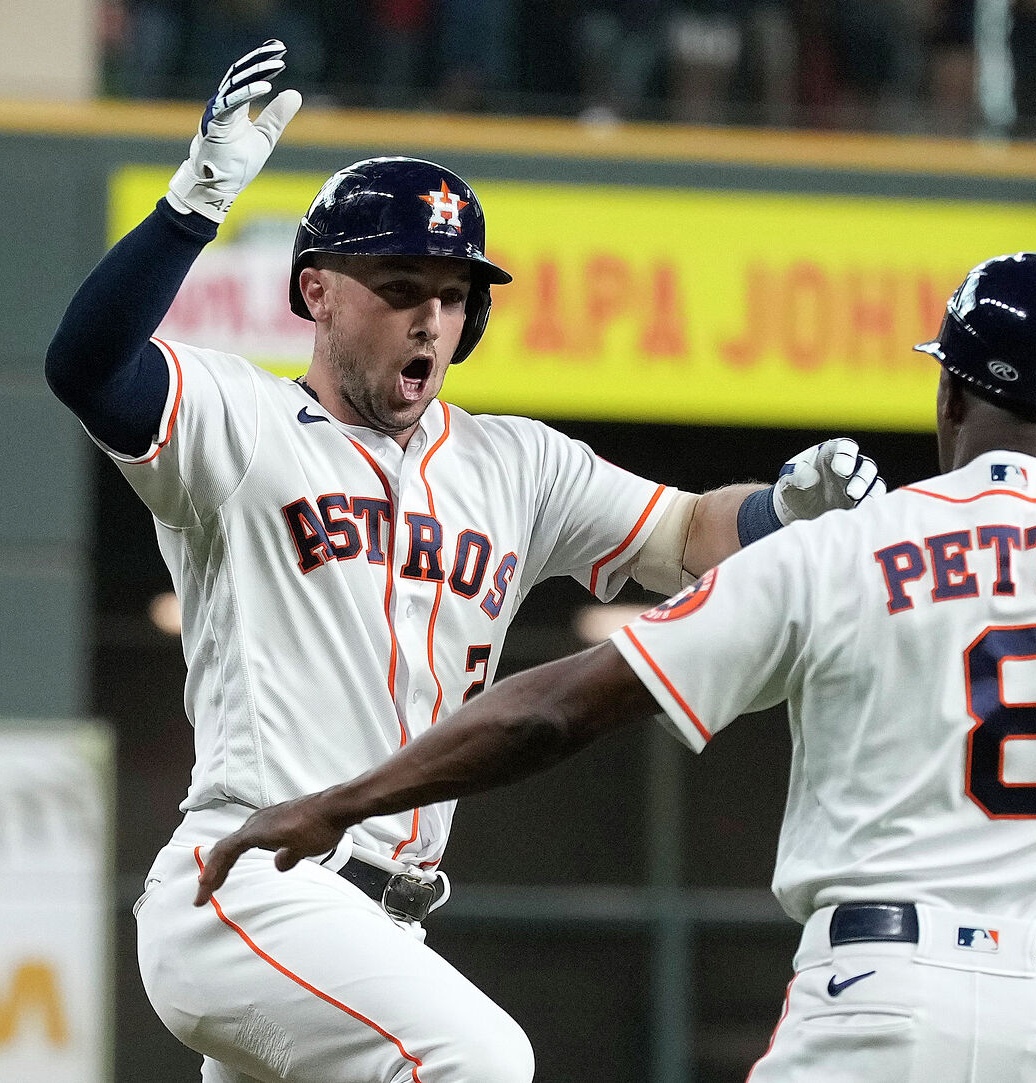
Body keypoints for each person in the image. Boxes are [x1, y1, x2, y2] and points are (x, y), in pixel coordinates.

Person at [194, 1, 1036, 1078]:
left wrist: (338, 800)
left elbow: (556, 706)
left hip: (870, 1000)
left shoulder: (840, 549)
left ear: (947, 401)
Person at [44, 40, 886, 1083]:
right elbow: (86, 367)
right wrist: (195, 199)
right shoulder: (244, 422)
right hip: (251, 881)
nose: (430, 318)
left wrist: (778, 508)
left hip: (381, 927)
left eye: (452, 295)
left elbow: (682, 539)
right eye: (399, 286)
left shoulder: (515, 463)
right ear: (316, 292)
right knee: (478, 1059)